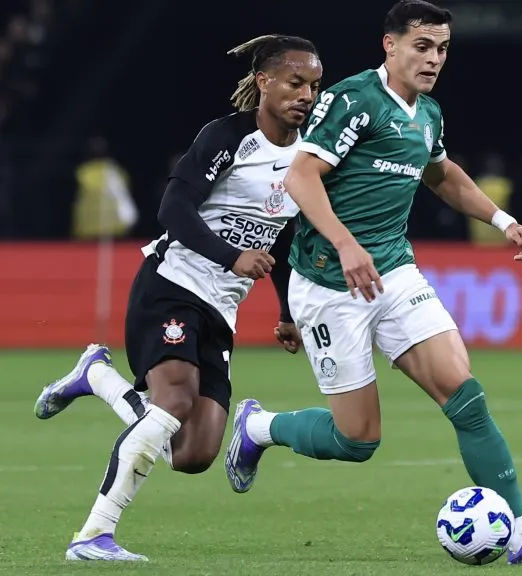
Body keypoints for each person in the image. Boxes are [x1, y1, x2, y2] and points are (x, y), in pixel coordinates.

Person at [223, 1, 522, 566]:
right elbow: (300, 175)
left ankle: (520, 536)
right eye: (422, 46)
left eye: (442, 48)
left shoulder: (428, 114)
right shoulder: (354, 99)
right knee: (356, 441)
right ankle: (260, 426)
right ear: (389, 45)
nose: (434, 58)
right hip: (327, 284)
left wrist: (504, 221)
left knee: (466, 398)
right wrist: (345, 245)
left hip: (393, 272)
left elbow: (442, 175)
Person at [34, 34, 322, 562]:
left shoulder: (307, 158)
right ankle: (93, 535)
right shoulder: (227, 137)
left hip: (223, 308)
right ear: (264, 82)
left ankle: (95, 376)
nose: (306, 94)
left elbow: (282, 236)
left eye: (313, 85)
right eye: (295, 82)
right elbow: (175, 208)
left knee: (193, 454)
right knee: (173, 401)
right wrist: (231, 256)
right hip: (173, 285)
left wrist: (285, 311)